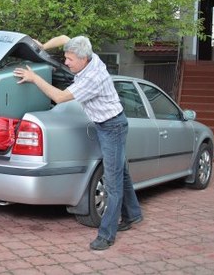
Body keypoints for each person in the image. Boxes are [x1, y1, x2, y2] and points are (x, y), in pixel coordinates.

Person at [13, 35, 142, 250]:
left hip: (113, 127)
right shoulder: (88, 53)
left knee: (113, 181)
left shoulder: (93, 78)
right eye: (66, 56)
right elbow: (64, 37)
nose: (66, 62)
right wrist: (42, 47)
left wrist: (34, 78)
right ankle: (133, 214)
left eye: (70, 59)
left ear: (83, 59)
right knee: (121, 171)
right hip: (105, 125)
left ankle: (106, 235)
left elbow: (60, 97)